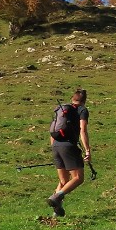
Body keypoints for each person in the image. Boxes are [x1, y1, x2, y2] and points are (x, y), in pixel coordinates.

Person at [47, 88, 91, 217]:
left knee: (64, 181)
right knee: (78, 178)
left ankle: (56, 213)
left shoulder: (62, 110)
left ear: (73, 98)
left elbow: (53, 128)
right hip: (68, 146)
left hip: (56, 145)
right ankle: (56, 197)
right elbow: (83, 130)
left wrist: (54, 148)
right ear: (84, 100)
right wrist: (87, 150)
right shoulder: (82, 110)